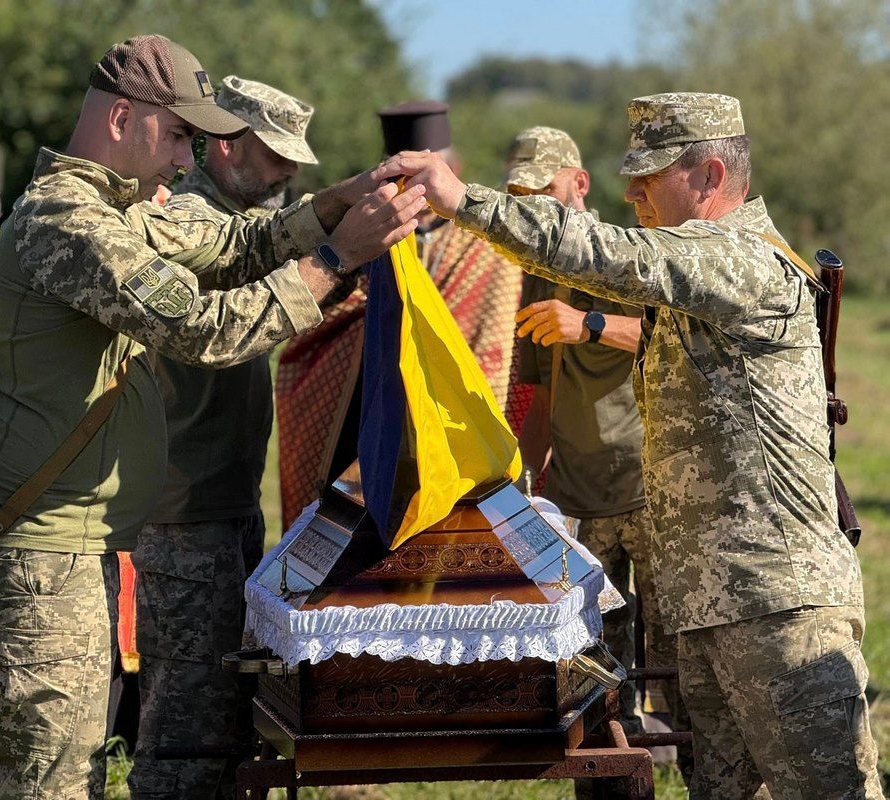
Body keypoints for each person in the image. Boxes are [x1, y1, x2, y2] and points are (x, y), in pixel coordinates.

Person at [0, 34, 424, 800]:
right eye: (176, 136)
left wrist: (338, 201)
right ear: (119, 121)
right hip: (40, 548)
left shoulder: (115, 208)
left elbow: (235, 245)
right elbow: (202, 330)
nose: (183, 159)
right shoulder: (70, 224)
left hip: (68, 543)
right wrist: (335, 259)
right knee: (54, 782)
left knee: (74, 769)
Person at [375, 92, 883, 800]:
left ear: (709, 175)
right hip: (714, 603)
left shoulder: (739, 258)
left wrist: (461, 200)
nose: (631, 191)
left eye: (650, 174)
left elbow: (605, 255)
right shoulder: (698, 273)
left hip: (778, 609)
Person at [128, 75, 320, 800]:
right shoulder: (188, 223)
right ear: (227, 144)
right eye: (275, 155)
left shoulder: (238, 222)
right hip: (185, 506)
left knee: (226, 713)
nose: (288, 172)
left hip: (225, 498)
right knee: (187, 725)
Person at [506, 126, 691, 792]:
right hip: (577, 490)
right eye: (518, 196)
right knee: (591, 658)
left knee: (676, 647)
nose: (532, 207)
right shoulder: (533, 273)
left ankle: (694, 768)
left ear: (578, 184)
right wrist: (528, 488)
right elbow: (538, 386)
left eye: (544, 191)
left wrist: (585, 322)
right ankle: (614, 781)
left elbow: (677, 339)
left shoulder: (627, 253)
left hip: (650, 483)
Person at [275, 100, 531, 529]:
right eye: (400, 179)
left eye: (424, 179)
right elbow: (324, 310)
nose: (414, 191)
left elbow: (493, 339)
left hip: (451, 417)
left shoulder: (483, 242)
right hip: (365, 412)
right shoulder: (365, 226)